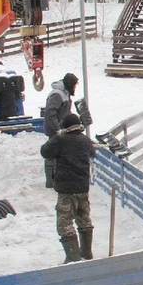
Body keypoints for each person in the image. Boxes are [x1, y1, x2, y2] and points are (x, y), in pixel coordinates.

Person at [40, 113, 96, 263]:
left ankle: (73, 257)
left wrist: (56, 138)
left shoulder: (60, 140)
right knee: (84, 218)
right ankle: (86, 253)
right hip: (83, 188)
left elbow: (45, 152)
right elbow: (92, 153)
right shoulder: (85, 140)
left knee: (64, 223)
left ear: (65, 127)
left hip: (66, 190)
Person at [42, 73, 79, 188]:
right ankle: (50, 181)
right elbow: (50, 113)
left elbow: (64, 112)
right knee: (51, 153)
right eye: (74, 86)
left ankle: (57, 178)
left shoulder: (65, 93)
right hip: (55, 130)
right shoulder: (58, 95)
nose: (74, 88)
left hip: (62, 129)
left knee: (59, 154)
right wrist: (57, 129)